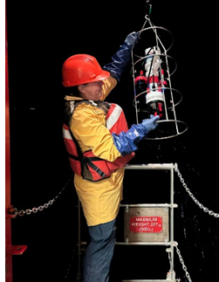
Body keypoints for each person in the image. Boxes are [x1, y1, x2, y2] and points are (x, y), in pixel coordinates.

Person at [62, 32, 159, 282]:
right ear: (81, 87)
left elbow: (112, 73)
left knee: (105, 237)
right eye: (95, 82)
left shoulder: (89, 96)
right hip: (98, 190)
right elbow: (112, 148)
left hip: (108, 180)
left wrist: (126, 47)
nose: (100, 85)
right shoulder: (82, 116)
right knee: (102, 239)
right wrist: (141, 129)